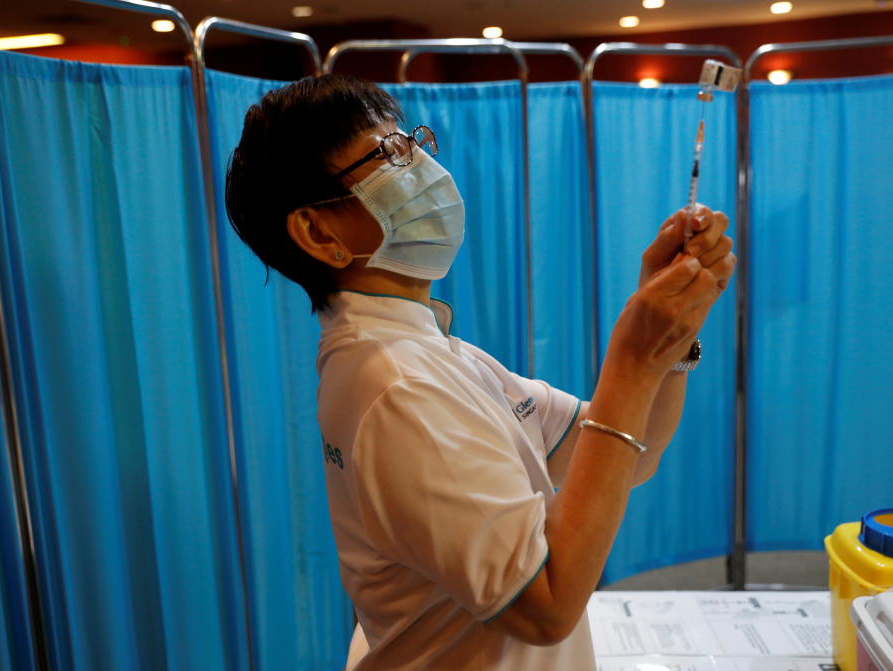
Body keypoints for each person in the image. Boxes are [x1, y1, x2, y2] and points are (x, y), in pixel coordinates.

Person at [225, 74, 736, 670]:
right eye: (387, 154)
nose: (419, 165)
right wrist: (632, 359)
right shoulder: (400, 388)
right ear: (319, 232)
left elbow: (631, 454)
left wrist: (672, 342)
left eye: (411, 142)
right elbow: (545, 607)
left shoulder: (432, 354)